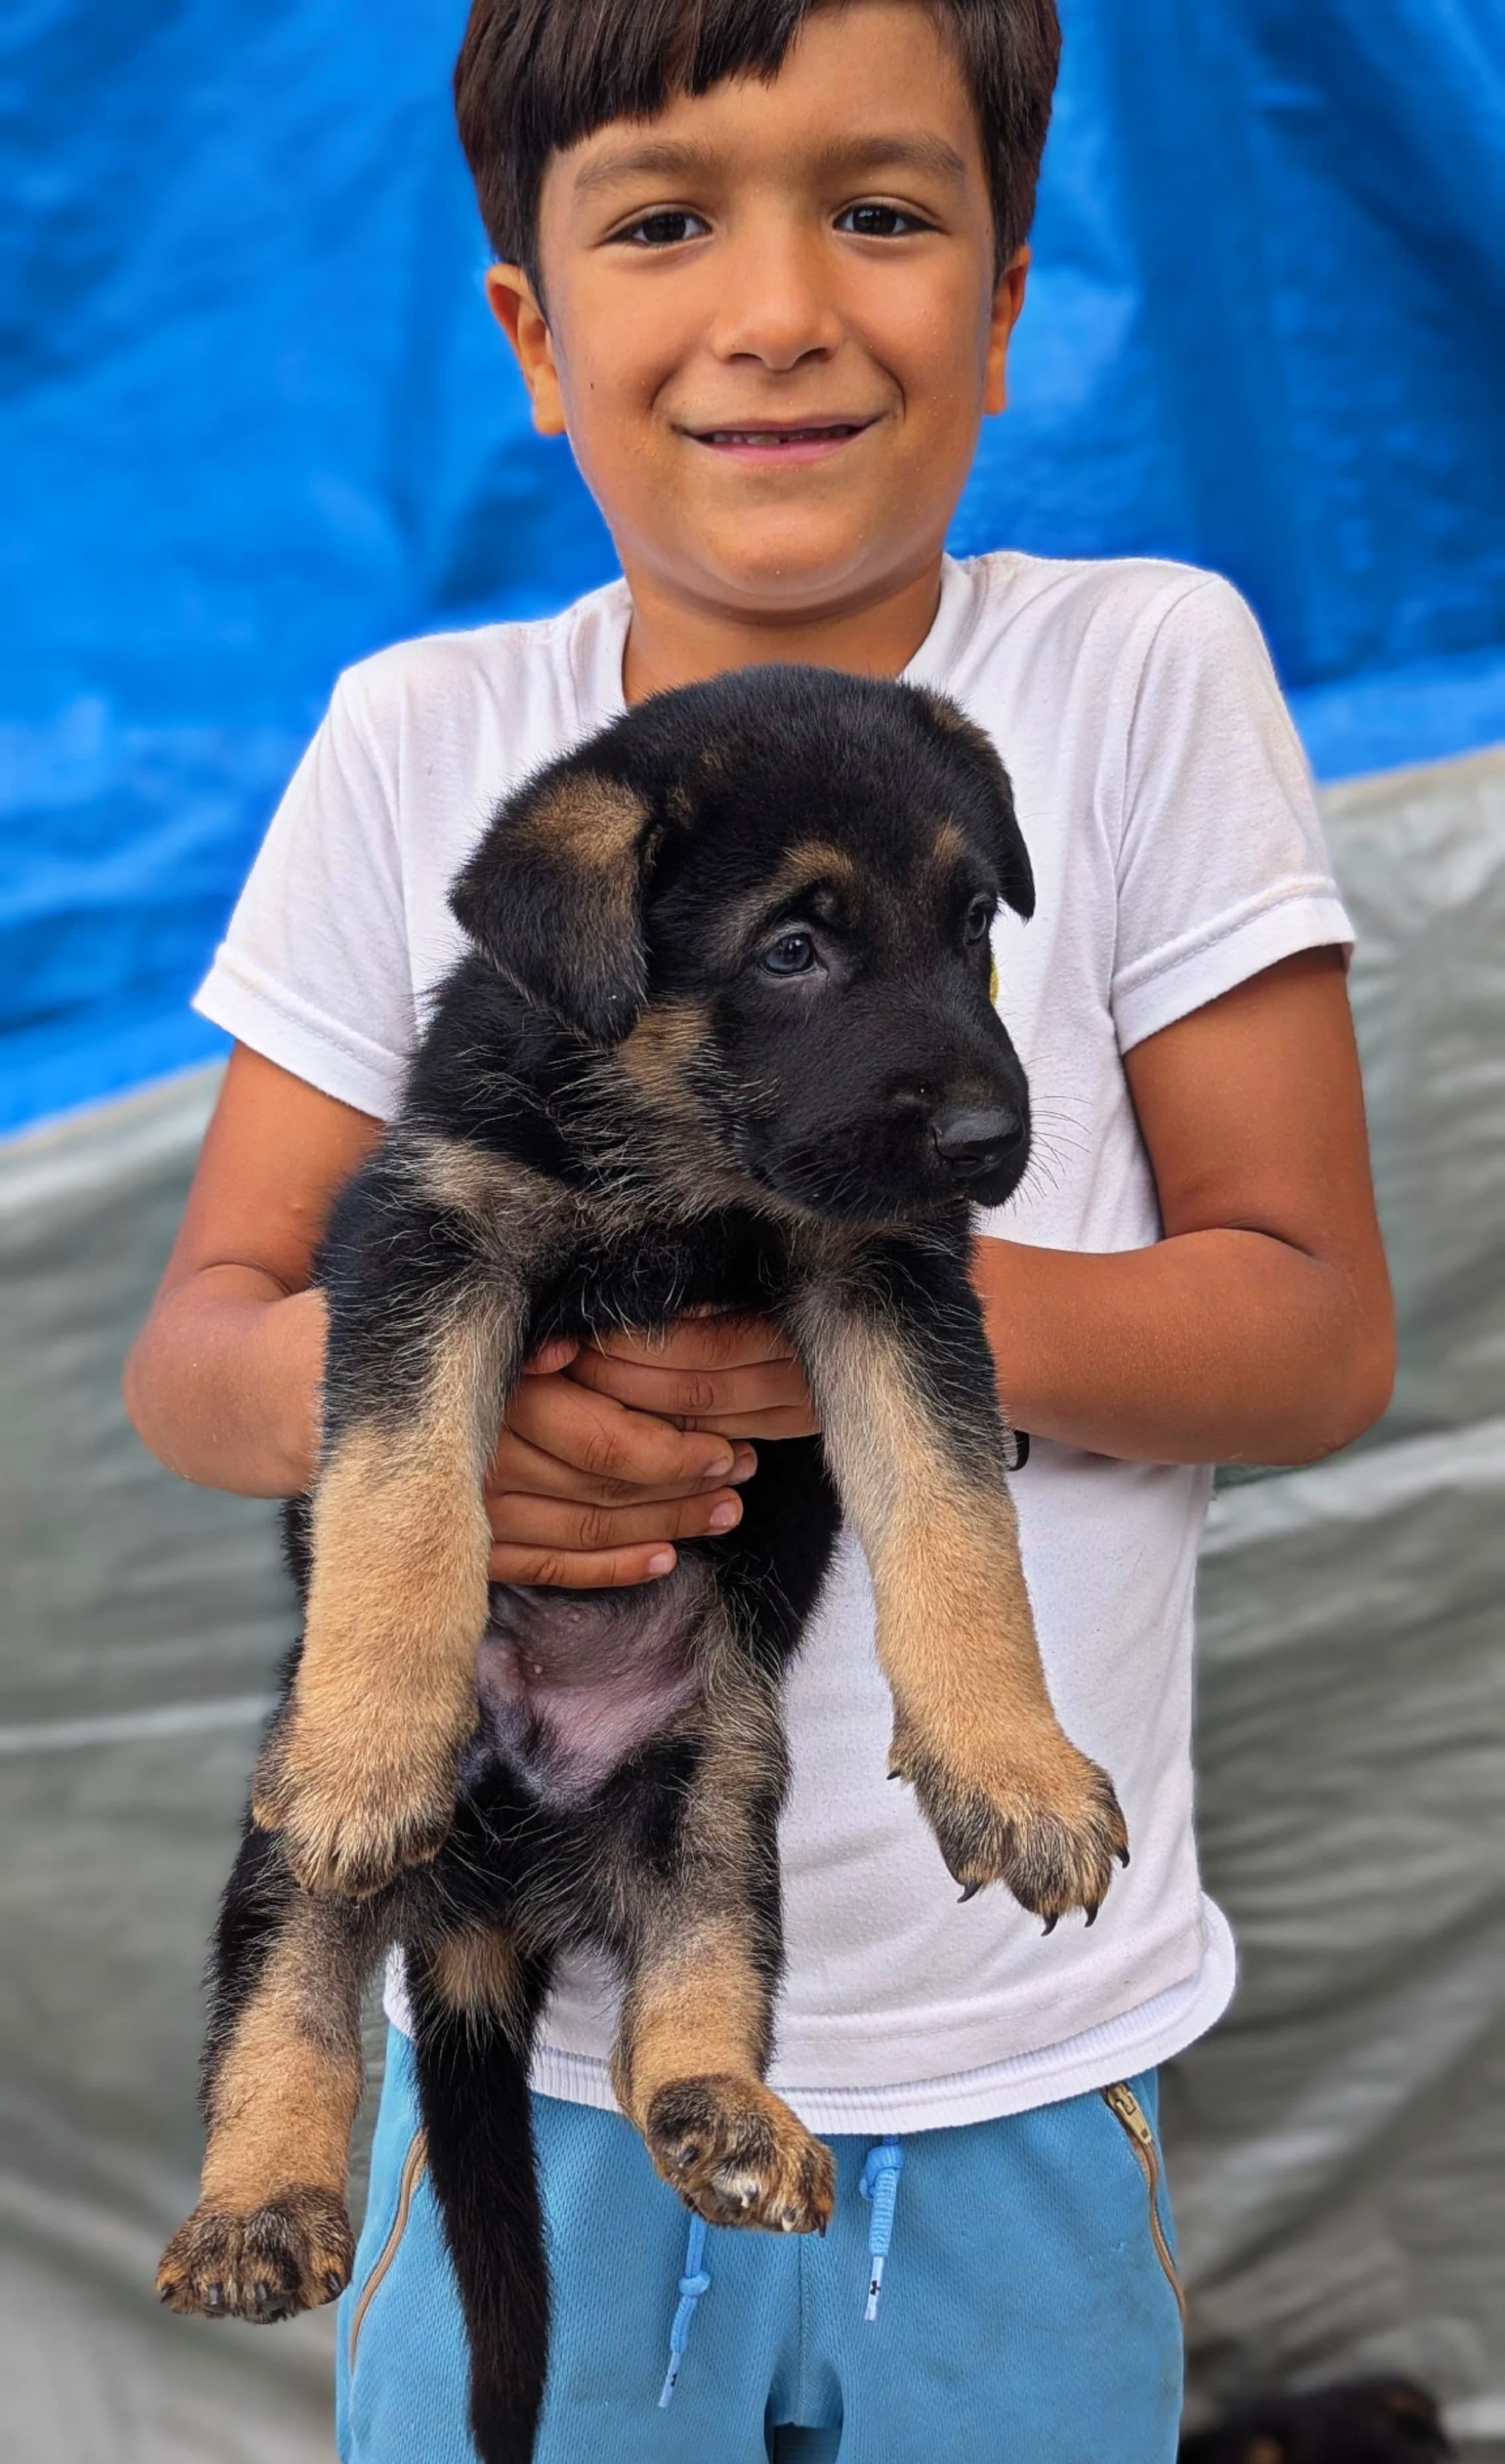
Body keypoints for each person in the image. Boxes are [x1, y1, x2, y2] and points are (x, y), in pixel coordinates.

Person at [123, 4, 1396, 2458]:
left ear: (1011, 303)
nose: (784, 303)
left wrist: (859, 1303)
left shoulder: (1133, 674)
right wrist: (471, 1441)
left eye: (886, 211)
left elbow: (1316, 1335)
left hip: (1031, 2040)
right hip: (548, 2048)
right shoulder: (419, 737)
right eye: (669, 217)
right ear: (532, 328)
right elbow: (211, 1340)